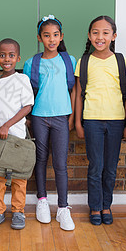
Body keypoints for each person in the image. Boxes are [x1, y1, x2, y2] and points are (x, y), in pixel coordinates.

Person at [74, 16, 126, 226]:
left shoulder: (120, 60)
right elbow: (79, 92)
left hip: (117, 122)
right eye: (95, 32)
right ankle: (95, 207)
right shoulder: (84, 61)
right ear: (90, 36)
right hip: (92, 122)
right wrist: (78, 123)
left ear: (113, 36)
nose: (100, 37)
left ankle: (107, 205)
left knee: (110, 167)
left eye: (105, 32)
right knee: (95, 166)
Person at [23, 15, 76, 231]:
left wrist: (72, 116)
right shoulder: (31, 63)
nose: (51, 39)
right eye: (46, 36)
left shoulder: (69, 61)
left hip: (61, 117)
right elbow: (27, 93)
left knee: (60, 163)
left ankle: (63, 207)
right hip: (38, 117)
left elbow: (74, 90)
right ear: (39, 38)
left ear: (61, 36)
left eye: (55, 35)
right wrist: (27, 118)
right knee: (41, 159)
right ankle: (42, 201)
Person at [0, 38, 34, 230]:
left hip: (17, 137)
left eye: (11, 55)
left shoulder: (22, 79)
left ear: (18, 58)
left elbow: (27, 106)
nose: (7, 59)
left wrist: (7, 126)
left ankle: (18, 211)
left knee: (19, 178)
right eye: (2, 55)